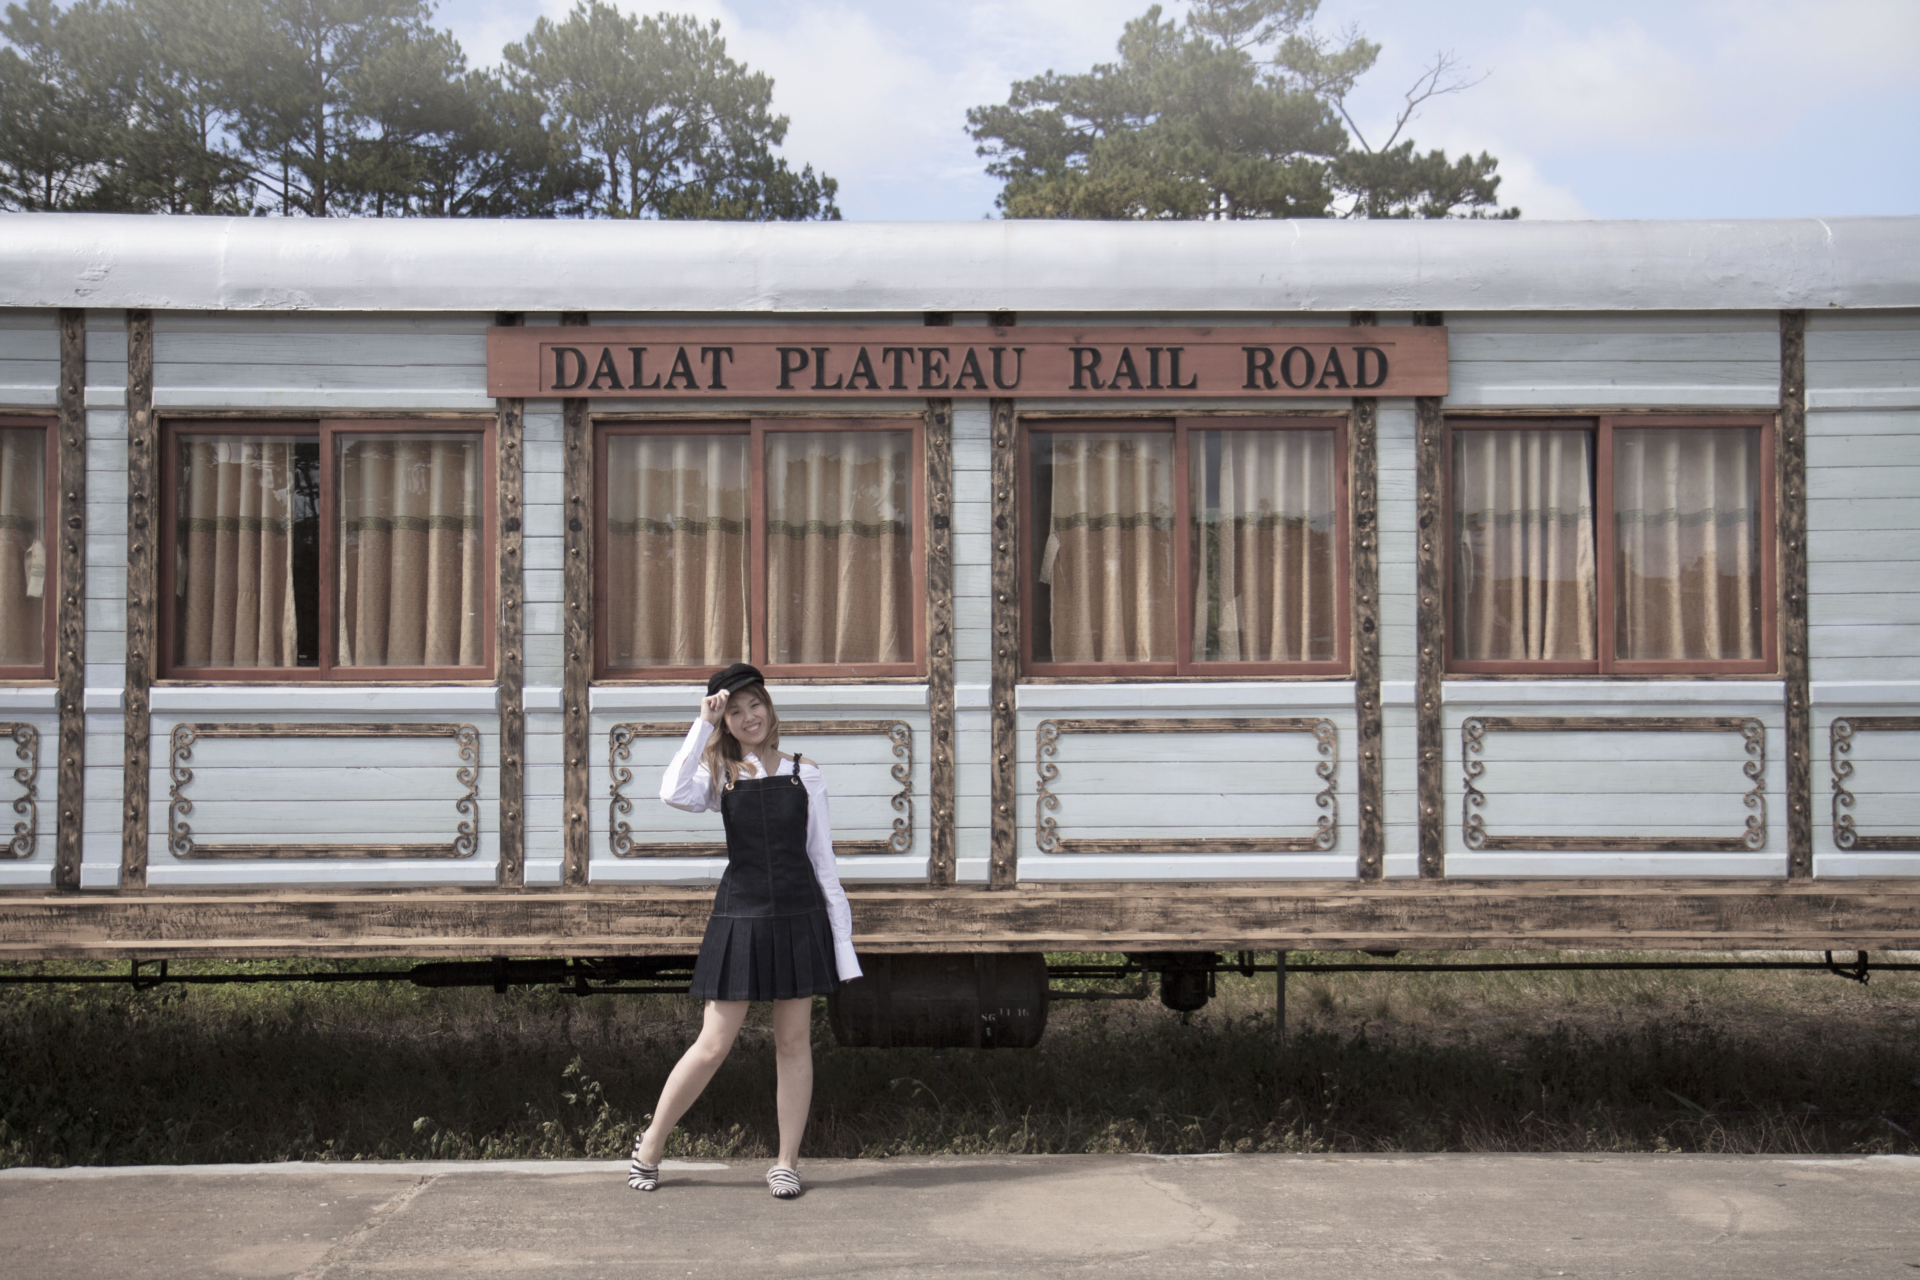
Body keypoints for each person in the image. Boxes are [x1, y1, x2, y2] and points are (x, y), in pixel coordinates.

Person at [626, 663, 862, 1201]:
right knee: (712, 1044)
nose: (747, 716)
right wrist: (701, 723)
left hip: (799, 917)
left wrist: (842, 946)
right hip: (741, 915)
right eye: (734, 710)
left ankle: (785, 1163)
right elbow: (671, 793)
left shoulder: (806, 773)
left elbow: (823, 863)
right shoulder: (721, 775)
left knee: (793, 1041)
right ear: (725, 722)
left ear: (769, 709)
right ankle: (650, 1146)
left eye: (754, 704)